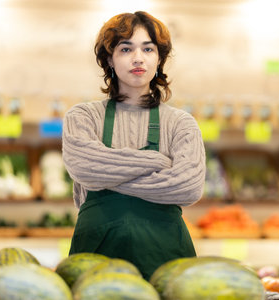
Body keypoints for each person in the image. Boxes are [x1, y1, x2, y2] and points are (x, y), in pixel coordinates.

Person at [62, 11, 206, 280]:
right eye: (125, 48)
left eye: (148, 49)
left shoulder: (180, 123)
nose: (138, 58)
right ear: (109, 59)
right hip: (95, 261)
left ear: (159, 58)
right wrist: (157, 162)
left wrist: (107, 175)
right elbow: (84, 168)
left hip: (166, 262)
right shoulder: (83, 117)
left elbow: (188, 186)